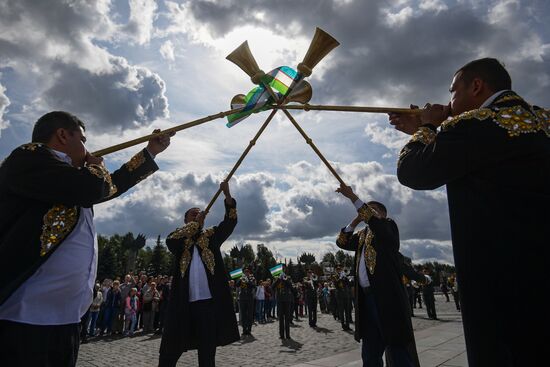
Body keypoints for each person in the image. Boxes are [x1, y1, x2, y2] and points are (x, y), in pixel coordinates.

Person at [389, 57, 550, 366]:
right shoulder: (541, 120)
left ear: (476, 86)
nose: (450, 101)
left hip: (503, 286)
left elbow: (413, 171)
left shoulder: (475, 124)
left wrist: (425, 128)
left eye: (453, 92)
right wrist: (432, 131)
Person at [0, 111, 171, 366]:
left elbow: (108, 186)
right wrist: (94, 166)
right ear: (62, 135)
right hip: (26, 316)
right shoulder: (28, 157)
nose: (86, 147)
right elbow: (94, 186)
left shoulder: (71, 177)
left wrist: (150, 153)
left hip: (65, 318)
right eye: (82, 139)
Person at [336, 184, 427, 367]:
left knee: (396, 347)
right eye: (367, 209)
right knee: (370, 349)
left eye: (373, 210)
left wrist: (353, 197)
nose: (367, 212)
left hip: (386, 298)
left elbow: (377, 224)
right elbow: (342, 242)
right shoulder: (362, 235)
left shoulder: (388, 226)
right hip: (366, 299)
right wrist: (355, 221)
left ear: (383, 214)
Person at [159, 182, 239, 367]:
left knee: (207, 354)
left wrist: (227, 196)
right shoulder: (177, 239)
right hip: (183, 304)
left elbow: (230, 222)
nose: (196, 214)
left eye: (199, 213)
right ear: (185, 220)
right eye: (192, 214)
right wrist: (196, 224)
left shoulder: (211, 236)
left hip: (208, 305)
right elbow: (170, 241)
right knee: (169, 351)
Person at [273, 269, 293, 339]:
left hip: (287, 300)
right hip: (280, 301)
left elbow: (291, 286)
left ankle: (288, 335)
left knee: (287, 318)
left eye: (283, 274)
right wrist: (278, 279)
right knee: (281, 319)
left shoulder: (287, 280)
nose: (282, 276)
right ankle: (281, 335)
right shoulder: (278, 281)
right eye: (281, 274)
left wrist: (286, 279)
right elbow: (272, 287)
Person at [236, 267, 256, 335]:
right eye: (245, 272)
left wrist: (248, 281)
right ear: (244, 273)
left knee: (250, 314)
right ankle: (244, 329)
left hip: (250, 299)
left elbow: (254, 286)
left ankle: (249, 329)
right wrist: (240, 279)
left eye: (247, 272)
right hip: (242, 298)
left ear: (249, 273)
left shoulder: (252, 278)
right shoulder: (241, 279)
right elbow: (237, 285)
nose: (246, 273)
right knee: (243, 315)